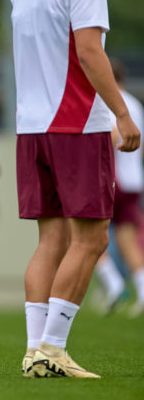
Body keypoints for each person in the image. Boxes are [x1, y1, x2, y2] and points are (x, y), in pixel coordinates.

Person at [12, 0, 140, 379]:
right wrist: (122, 115)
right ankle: (52, 348)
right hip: (75, 123)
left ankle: (34, 351)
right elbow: (88, 51)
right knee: (92, 238)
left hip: (32, 128)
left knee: (51, 240)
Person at [94, 60, 144, 317]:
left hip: (115, 180)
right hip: (134, 180)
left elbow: (113, 136)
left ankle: (113, 285)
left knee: (86, 236)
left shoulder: (109, 102)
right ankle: (142, 292)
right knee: (127, 242)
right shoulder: (135, 104)